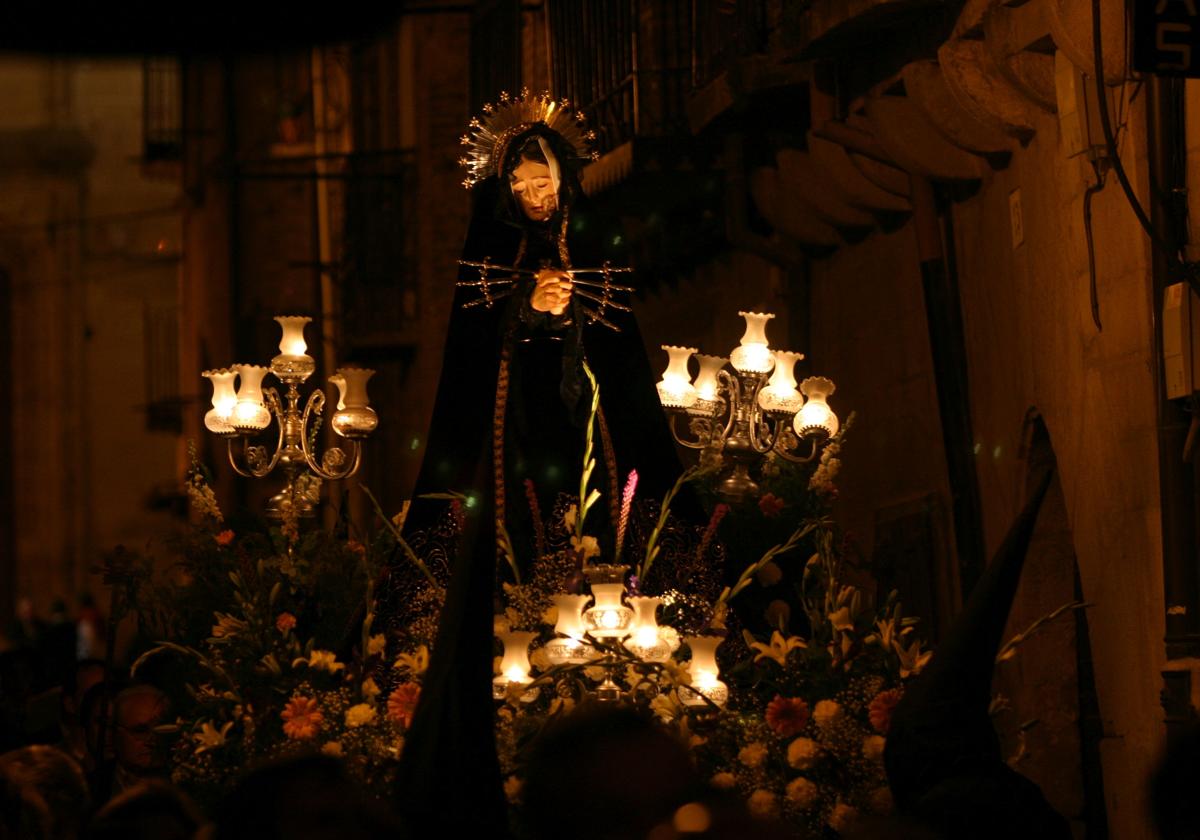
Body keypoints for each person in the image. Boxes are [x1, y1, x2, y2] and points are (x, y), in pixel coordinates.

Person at [405, 89, 687, 566]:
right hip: (515, 415)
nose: (533, 197)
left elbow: (618, 345)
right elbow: (470, 344)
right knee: (519, 513)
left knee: (597, 505)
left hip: (585, 413)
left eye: (542, 182)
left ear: (562, 176)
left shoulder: (592, 237)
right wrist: (526, 307)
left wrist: (570, 310)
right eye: (518, 186)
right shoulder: (489, 243)